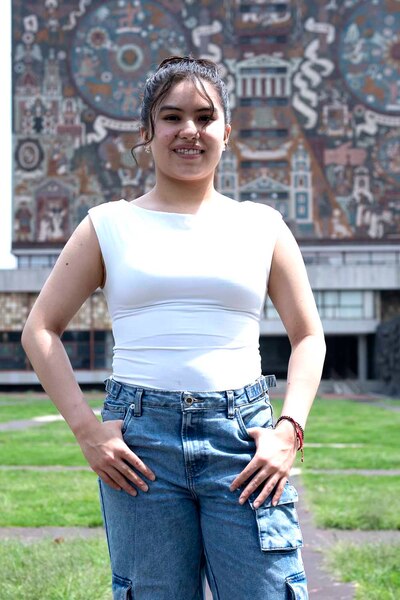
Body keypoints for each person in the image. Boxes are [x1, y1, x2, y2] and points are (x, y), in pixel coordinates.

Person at [22, 56, 326, 599]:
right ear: (148, 131)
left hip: (244, 443)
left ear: (226, 132)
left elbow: (308, 336)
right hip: (141, 445)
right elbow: (40, 328)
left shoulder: (262, 225)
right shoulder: (108, 225)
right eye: (172, 117)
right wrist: (87, 431)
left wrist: (289, 430)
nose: (190, 130)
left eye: (206, 118)